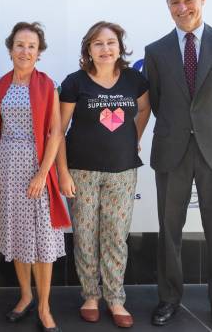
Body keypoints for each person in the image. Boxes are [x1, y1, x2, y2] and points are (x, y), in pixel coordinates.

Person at [145, 0, 212, 332]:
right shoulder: (156, 51)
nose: (182, 8)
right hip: (172, 149)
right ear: (168, 7)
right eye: (174, 2)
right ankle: (169, 299)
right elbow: (157, 102)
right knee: (169, 230)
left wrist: (211, 129)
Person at [56, 21, 150, 328]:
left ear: (120, 47)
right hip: (81, 171)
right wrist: (62, 172)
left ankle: (115, 298)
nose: (105, 49)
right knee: (85, 236)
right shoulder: (75, 82)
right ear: (88, 50)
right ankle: (90, 296)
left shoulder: (135, 80)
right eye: (98, 43)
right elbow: (58, 130)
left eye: (111, 43)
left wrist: (134, 138)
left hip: (122, 171)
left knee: (115, 236)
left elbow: (144, 109)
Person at [0, 22, 70, 332]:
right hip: (6, 166)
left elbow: (56, 132)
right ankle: (25, 296)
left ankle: (45, 307)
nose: (25, 51)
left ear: (39, 52)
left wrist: (43, 173)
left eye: (31, 46)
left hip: (37, 168)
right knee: (17, 235)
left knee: (43, 240)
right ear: (11, 50)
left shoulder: (48, 85)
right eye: (19, 45)